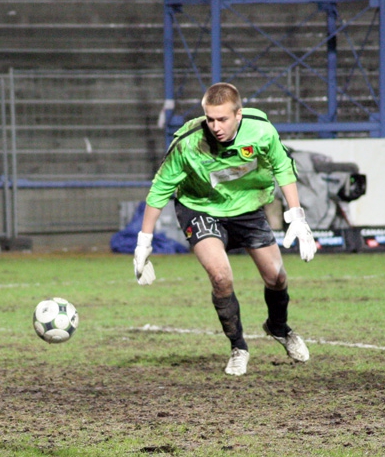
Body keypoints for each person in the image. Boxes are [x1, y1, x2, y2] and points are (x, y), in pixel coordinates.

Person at [133, 82, 317, 376]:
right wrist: (144, 242)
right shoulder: (188, 143)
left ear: (239, 115)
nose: (215, 126)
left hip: (247, 206)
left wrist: (296, 217)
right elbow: (159, 190)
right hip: (200, 207)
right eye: (210, 119)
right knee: (221, 277)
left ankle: (278, 328)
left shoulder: (261, 131)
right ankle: (238, 347)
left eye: (223, 119)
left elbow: (283, 167)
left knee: (277, 276)